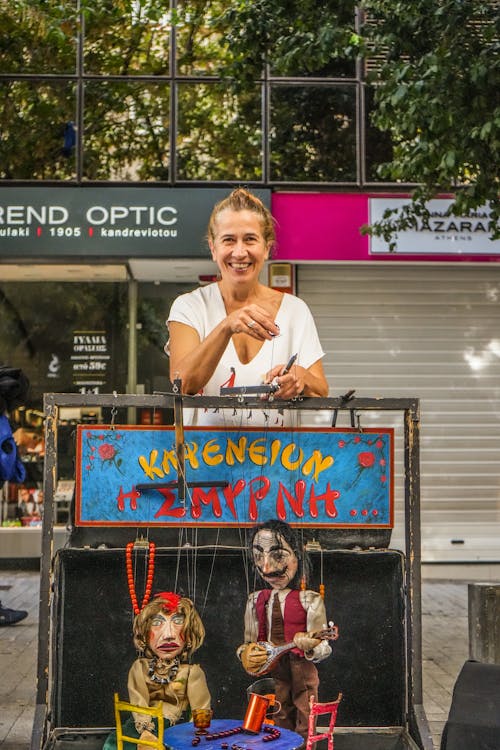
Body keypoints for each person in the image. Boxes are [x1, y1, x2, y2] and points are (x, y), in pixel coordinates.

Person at [166, 187, 328, 426]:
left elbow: (321, 389)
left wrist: (299, 377)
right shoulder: (189, 307)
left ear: (267, 248)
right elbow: (184, 384)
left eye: (250, 239)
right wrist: (227, 326)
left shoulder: (296, 310)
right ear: (213, 248)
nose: (239, 252)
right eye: (228, 240)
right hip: (205, 458)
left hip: (277, 458)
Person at [237, 519, 336, 739]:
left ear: (297, 556)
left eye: (278, 555)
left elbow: (324, 647)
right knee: (280, 715)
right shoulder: (255, 600)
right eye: (258, 557)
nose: (266, 567)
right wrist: (246, 653)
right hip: (276, 670)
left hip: (303, 671)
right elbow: (248, 643)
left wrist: (311, 647)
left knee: (305, 716)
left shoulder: (310, 600)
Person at [103, 592, 211, 750]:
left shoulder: (191, 673)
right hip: (141, 725)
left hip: (175, 729)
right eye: (157, 622)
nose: (168, 636)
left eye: (178, 622)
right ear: (145, 635)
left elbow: (200, 710)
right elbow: (138, 700)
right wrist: (145, 731)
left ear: (189, 635)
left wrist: (192, 739)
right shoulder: (140, 668)